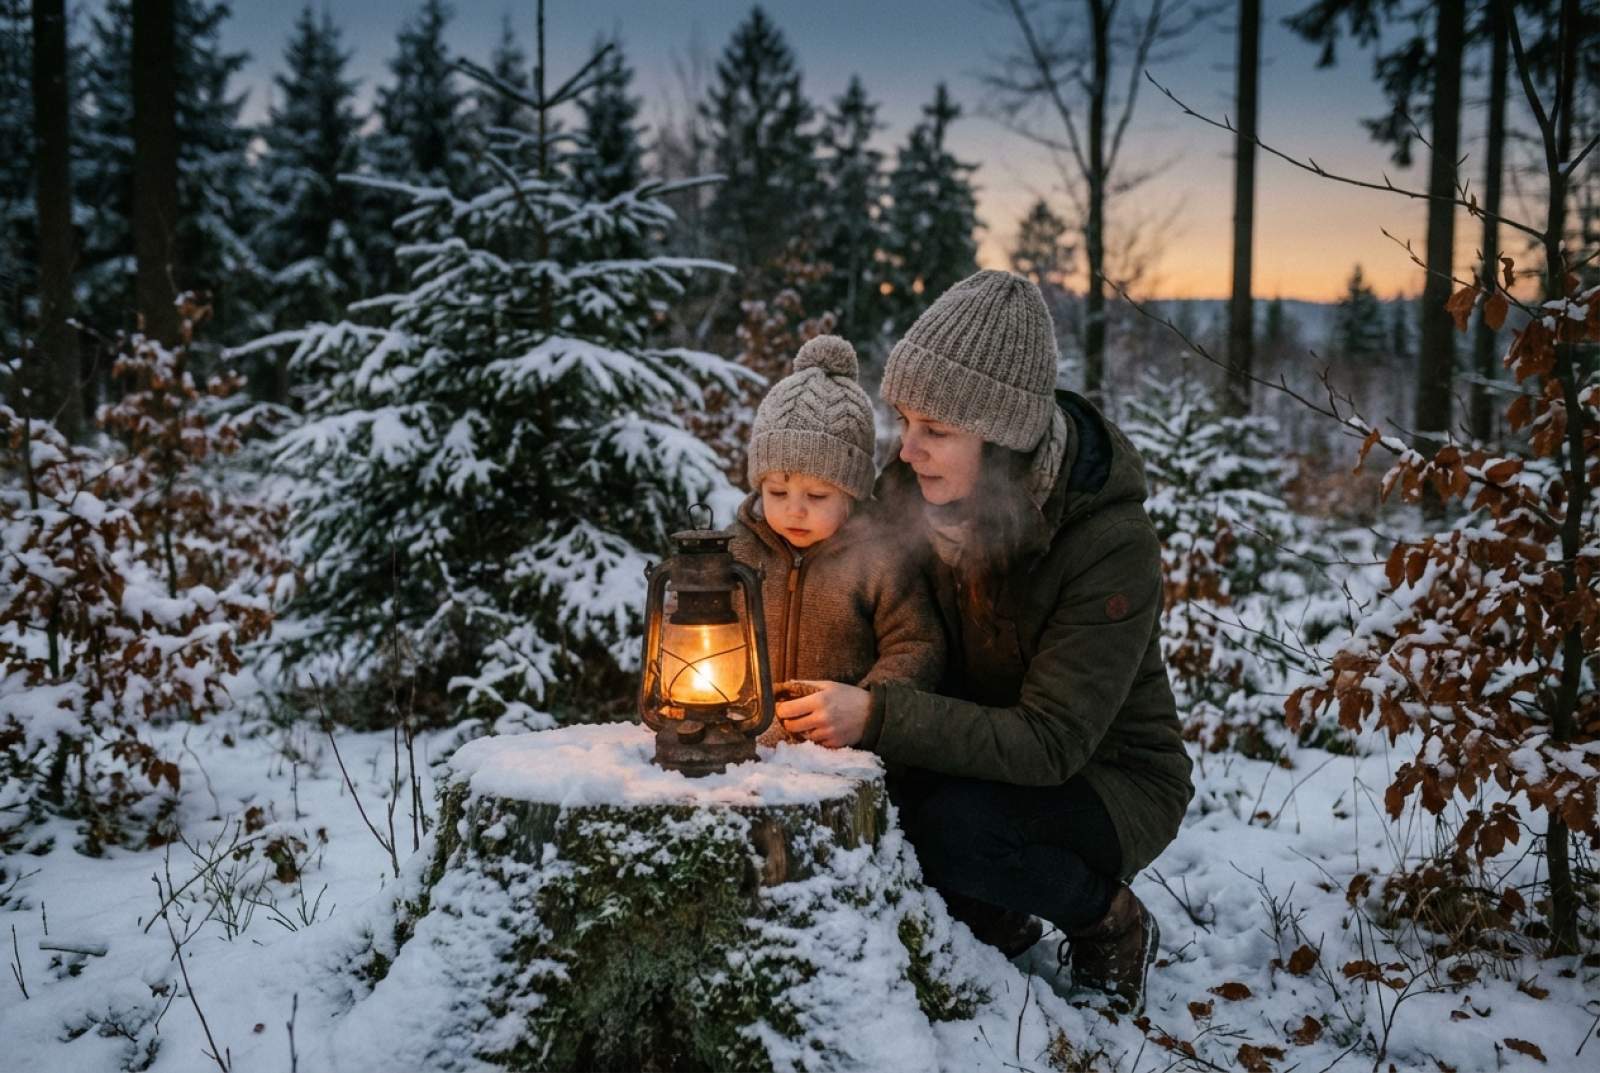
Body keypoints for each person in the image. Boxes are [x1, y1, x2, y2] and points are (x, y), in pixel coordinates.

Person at [775, 272, 1194, 1013]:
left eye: (936, 430)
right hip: (978, 750)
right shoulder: (916, 490)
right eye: (904, 420)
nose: (907, 450)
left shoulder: (1107, 542)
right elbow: (854, 583)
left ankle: (1108, 918)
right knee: (885, 809)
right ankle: (991, 914)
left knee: (955, 833)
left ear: (1002, 437)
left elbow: (1051, 741)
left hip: (1110, 774)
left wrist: (874, 715)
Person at [730, 334, 945, 740]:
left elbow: (916, 646)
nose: (795, 509)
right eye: (777, 492)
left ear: (851, 494)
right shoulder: (736, 552)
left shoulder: (879, 560)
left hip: (839, 752)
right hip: (744, 747)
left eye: (817, 495)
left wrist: (866, 708)